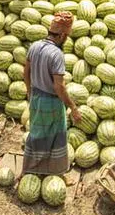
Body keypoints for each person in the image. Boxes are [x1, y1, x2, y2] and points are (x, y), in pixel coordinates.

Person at [22, 11, 84, 176]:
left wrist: (30, 91)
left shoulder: (34, 46)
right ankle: (56, 174)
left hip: (36, 98)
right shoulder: (56, 54)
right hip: (51, 102)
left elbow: (25, 73)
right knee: (56, 138)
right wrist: (73, 107)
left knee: (36, 134)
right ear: (62, 35)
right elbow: (59, 87)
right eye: (67, 37)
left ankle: (30, 170)